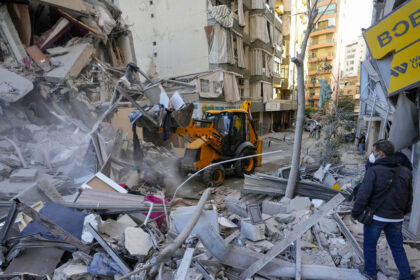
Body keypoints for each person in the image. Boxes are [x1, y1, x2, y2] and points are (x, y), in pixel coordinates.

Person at [352, 140, 413, 280]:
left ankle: (371, 273)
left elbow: (363, 195)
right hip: (397, 218)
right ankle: (406, 276)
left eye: (373, 152)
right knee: (397, 248)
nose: (371, 155)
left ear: (381, 154)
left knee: (369, 245)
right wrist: (401, 213)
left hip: (376, 218)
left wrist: (355, 213)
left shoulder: (373, 171)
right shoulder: (405, 171)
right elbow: (409, 197)